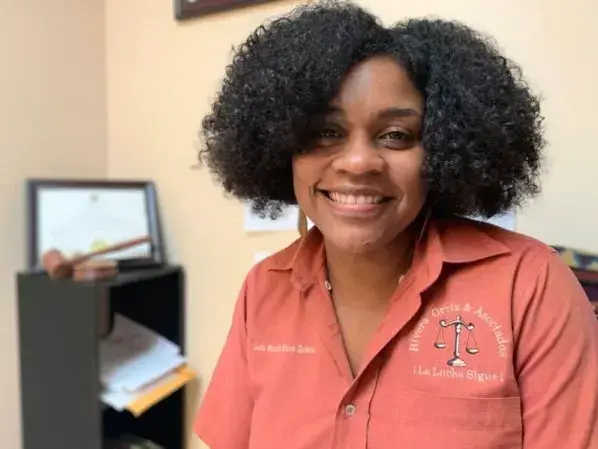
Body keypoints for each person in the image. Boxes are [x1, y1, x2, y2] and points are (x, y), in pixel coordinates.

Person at [193, 1, 598, 448]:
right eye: (326, 131)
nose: (359, 162)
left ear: (443, 150)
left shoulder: (531, 286)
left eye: (396, 136)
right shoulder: (263, 290)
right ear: (283, 144)